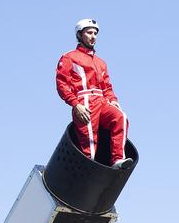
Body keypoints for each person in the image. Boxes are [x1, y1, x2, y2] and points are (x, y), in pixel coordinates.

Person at [55, 18, 131, 167]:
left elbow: (107, 86)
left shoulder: (101, 62)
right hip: (84, 103)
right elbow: (62, 84)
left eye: (95, 33)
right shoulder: (69, 57)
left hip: (102, 101)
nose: (93, 36)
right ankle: (87, 172)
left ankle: (117, 160)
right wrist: (76, 105)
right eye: (89, 33)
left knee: (121, 117)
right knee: (89, 142)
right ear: (80, 35)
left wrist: (113, 100)